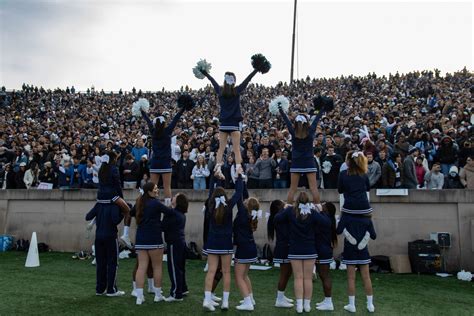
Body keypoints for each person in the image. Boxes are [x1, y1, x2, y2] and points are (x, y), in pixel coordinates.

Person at [201, 65, 260, 179]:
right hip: (233, 124)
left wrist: (205, 73)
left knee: (221, 148)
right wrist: (256, 69)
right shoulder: (236, 90)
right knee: (236, 148)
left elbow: (211, 80)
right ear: (234, 81)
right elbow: (248, 79)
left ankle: (218, 168)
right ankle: (238, 169)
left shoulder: (220, 90)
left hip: (224, 124)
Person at [337, 150, 376, 313]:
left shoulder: (344, 174)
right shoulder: (364, 174)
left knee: (351, 276)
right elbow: (374, 234)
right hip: (364, 210)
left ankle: (352, 305)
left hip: (349, 210)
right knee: (366, 276)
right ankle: (370, 304)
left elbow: (340, 190)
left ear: (348, 161)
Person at [275, 192, 326, 313]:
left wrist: (284, 208)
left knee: (298, 278)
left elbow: (277, 219)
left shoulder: (290, 211)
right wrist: (320, 210)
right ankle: (307, 305)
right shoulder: (312, 212)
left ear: (296, 201)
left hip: (295, 249)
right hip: (309, 249)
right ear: (308, 201)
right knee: (307, 278)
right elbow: (326, 223)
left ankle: (299, 305)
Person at [202, 171, 244, 312]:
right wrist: (239, 178)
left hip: (213, 242)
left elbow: (211, 191)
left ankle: (207, 299)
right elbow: (238, 193)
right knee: (226, 272)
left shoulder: (210, 205)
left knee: (211, 272)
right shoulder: (229, 204)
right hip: (225, 242)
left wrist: (216, 176)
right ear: (225, 196)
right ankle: (225, 302)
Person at [132, 182, 174, 305]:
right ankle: (157, 295)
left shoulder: (140, 202)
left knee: (141, 267)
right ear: (149, 191)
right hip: (154, 238)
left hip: (141, 238)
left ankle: (139, 297)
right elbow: (169, 212)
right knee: (157, 267)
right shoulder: (155, 203)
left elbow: (131, 212)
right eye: (155, 189)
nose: (157, 190)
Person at [278, 103, 327, 204]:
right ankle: (318, 208)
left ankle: (288, 208)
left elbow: (286, 120)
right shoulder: (311, 131)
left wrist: (281, 110)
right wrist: (322, 109)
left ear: (296, 123)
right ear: (306, 123)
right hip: (309, 161)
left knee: (292, 189)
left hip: (296, 162)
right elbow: (317, 119)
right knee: (314, 188)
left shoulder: (293, 131)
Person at [141, 103, 185, 205]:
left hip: (155, 162)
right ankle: (168, 207)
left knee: (152, 186)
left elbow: (147, 120)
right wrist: (183, 108)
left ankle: (150, 206)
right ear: (164, 123)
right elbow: (176, 119)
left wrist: (142, 112)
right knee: (167, 186)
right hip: (165, 162)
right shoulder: (168, 131)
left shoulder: (153, 131)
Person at [85, 195, 125, 297]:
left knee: (100, 264)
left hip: (99, 237)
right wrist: (123, 213)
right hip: (110, 237)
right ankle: (111, 289)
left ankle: (100, 289)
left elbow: (88, 216)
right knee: (113, 263)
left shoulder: (99, 205)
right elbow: (115, 220)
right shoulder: (114, 205)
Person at [95, 151, 131, 248]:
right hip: (111, 195)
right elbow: (117, 185)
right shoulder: (114, 169)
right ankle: (126, 235)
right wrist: (121, 197)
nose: (116, 160)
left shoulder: (101, 169)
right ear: (112, 159)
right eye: (115, 158)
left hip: (100, 196)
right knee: (127, 210)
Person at [233, 195, 260, 311]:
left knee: (239, 277)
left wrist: (239, 178)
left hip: (243, 248)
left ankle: (247, 302)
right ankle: (250, 298)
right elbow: (243, 196)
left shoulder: (243, 215)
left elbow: (239, 198)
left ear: (247, 206)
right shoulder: (249, 215)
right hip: (250, 247)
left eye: (246, 201)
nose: (244, 200)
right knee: (244, 275)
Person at [162, 193, 189, 302]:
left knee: (174, 268)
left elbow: (163, 226)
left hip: (174, 243)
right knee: (180, 268)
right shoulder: (181, 214)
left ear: (177, 202)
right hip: (181, 243)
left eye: (175, 197)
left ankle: (176, 294)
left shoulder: (173, 213)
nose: (172, 197)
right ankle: (182, 288)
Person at [267, 199, 294, 308]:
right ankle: (279, 299)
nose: (285, 205)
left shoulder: (281, 216)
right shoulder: (278, 217)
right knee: (284, 274)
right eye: (282, 204)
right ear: (278, 207)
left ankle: (282, 296)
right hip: (283, 249)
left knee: (288, 273)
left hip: (286, 247)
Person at [314, 202, 337, 311]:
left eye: (323, 204)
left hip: (322, 251)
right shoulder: (327, 219)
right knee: (323, 276)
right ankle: (327, 300)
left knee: (325, 276)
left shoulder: (325, 219)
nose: (321, 205)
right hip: (324, 250)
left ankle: (329, 302)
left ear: (326, 209)